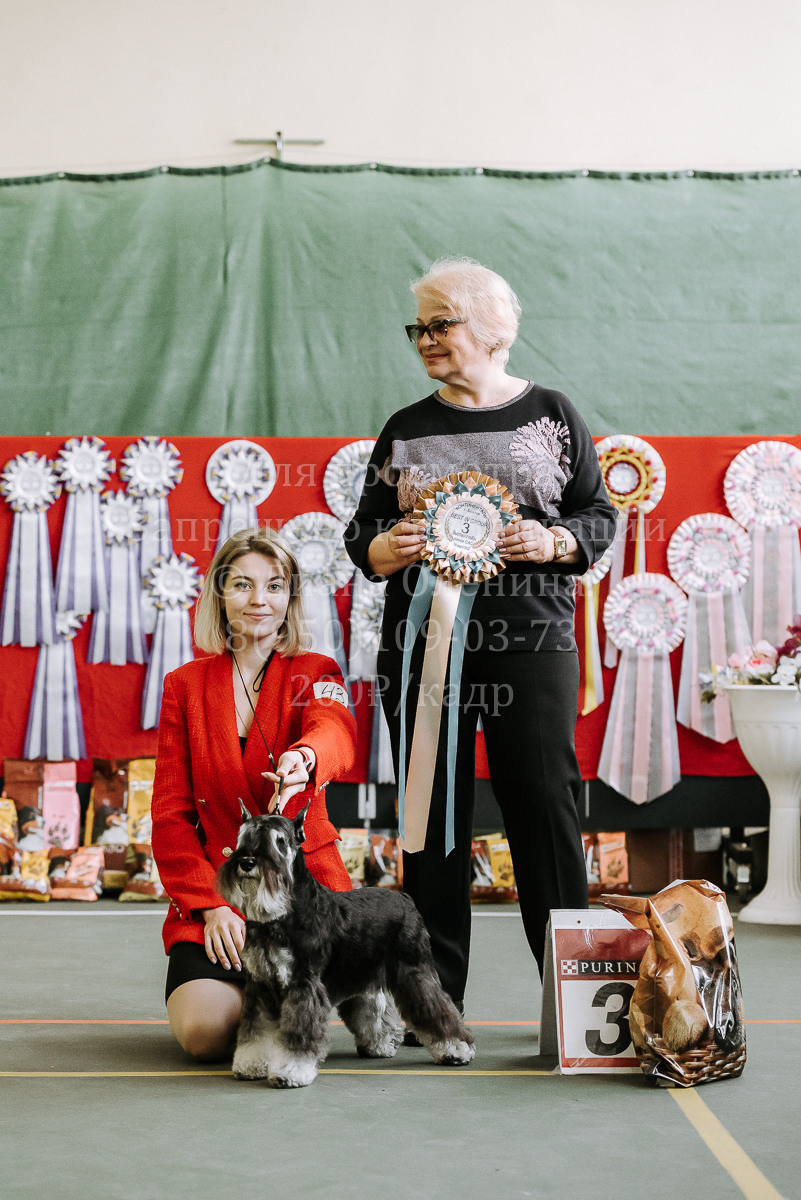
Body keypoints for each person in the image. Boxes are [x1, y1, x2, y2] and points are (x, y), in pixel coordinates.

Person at [345, 258, 617, 1009]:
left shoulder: (552, 412)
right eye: (418, 328)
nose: (425, 340)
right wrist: (386, 547)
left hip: (533, 648)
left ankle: (574, 1004)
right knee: (430, 820)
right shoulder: (405, 427)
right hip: (424, 652)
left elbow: (598, 514)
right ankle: (434, 1005)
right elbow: (362, 536)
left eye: (441, 323)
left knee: (546, 814)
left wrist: (553, 540)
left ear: (493, 329)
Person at [151, 527, 355, 1060]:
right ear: (220, 594)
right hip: (220, 900)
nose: (258, 600)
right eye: (242, 584)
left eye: (274, 586)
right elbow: (170, 818)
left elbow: (336, 730)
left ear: (291, 597)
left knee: (292, 1008)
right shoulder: (183, 685)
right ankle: (266, 996)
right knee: (204, 1034)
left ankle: (287, 995)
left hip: (303, 895)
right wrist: (211, 904)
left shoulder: (317, 671)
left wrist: (305, 758)